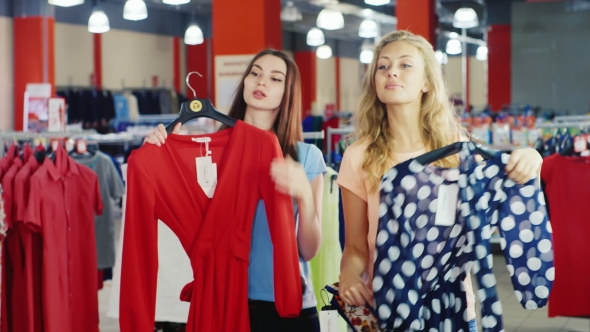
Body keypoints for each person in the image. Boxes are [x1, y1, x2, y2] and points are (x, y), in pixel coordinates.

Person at [336, 30, 543, 332]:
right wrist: (349, 274)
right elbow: (355, 246)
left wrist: (530, 159)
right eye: (383, 66)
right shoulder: (358, 155)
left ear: (426, 83)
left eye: (405, 65)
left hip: (456, 310)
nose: (391, 71)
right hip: (391, 309)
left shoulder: (456, 150)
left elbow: (501, 193)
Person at [144, 49, 325, 332]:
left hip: (286, 307)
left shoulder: (306, 156)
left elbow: (310, 250)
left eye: (275, 79)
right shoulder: (209, 153)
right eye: (255, 73)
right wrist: (162, 152)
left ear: (288, 94)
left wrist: (304, 195)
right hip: (224, 302)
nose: (261, 82)